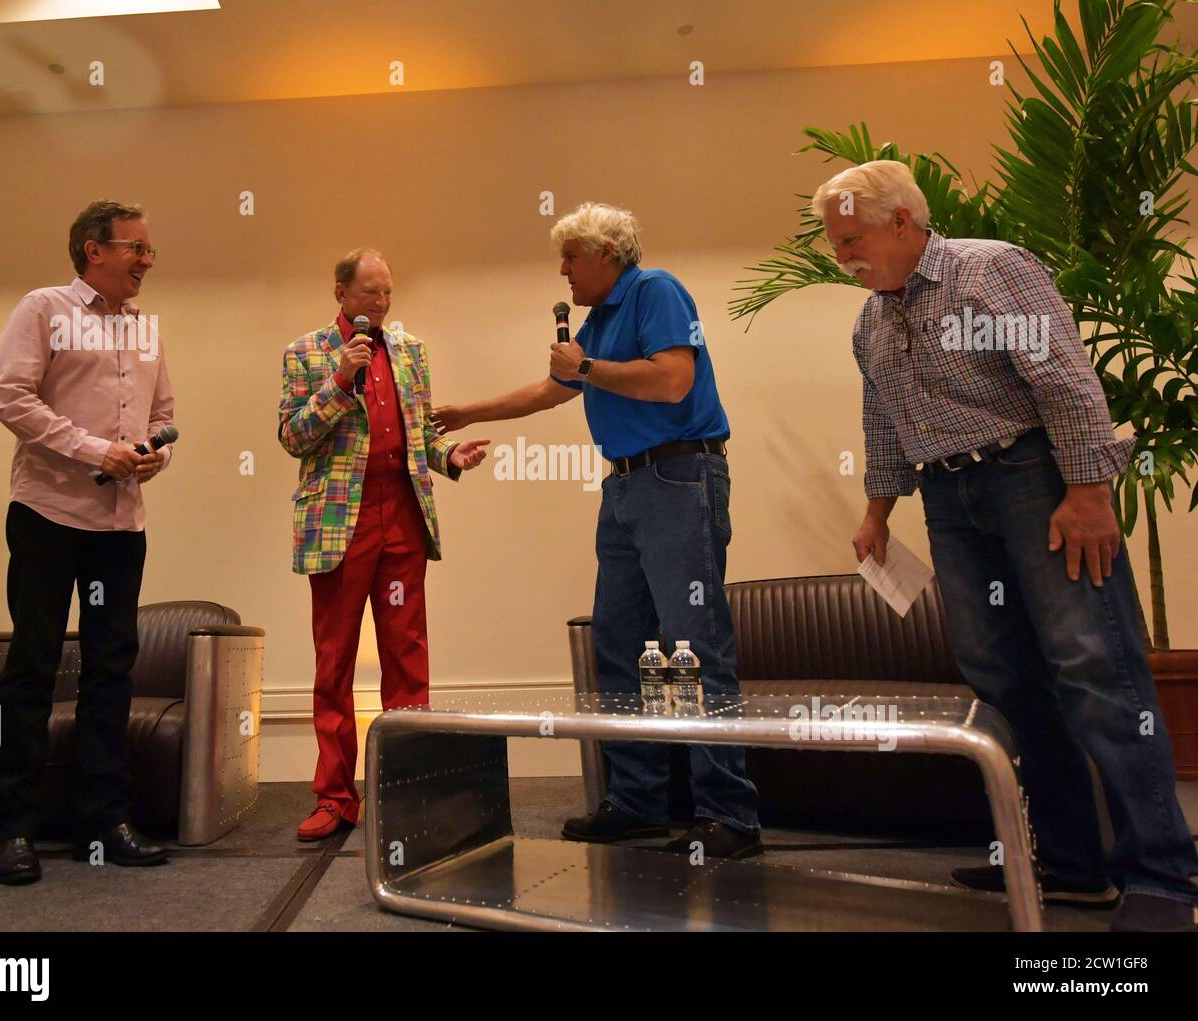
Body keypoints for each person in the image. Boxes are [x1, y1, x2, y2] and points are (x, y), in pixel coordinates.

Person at [812, 159, 1198, 931]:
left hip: (1033, 479)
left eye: (852, 238)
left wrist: (1088, 494)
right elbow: (883, 422)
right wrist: (877, 511)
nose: (843, 256)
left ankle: (1164, 873)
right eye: (834, 245)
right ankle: (1071, 863)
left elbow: (1066, 379)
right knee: (1004, 676)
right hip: (951, 499)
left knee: (1094, 662)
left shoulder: (989, 271)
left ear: (903, 222)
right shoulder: (870, 320)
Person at [433, 202, 762, 858]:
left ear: (607, 253)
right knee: (619, 642)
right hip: (624, 487)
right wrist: (468, 411)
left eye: (570, 258)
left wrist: (584, 368)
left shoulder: (656, 291)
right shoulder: (599, 318)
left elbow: (673, 381)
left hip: (677, 478)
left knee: (695, 645)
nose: (563, 271)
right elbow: (555, 387)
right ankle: (636, 801)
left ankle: (730, 815)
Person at [0, 200, 175, 885]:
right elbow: (9, 396)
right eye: (138, 249)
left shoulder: (147, 328)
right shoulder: (43, 307)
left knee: (111, 671)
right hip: (47, 513)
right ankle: (13, 827)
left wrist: (153, 452)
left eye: (150, 251)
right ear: (95, 250)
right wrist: (93, 447)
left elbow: (163, 414)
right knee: (33, 664)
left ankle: (106, 818)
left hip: (121, 524)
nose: (148, 261)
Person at [279, 248, 489, 841]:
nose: (381, 304)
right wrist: (341, 378)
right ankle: (335, 797)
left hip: (401, 513)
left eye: (388, 293)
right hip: (339, 521)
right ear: (341, 293)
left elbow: (419, 431)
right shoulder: (307, 353)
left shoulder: (411, 351)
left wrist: (449, 457)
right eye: (370, 293)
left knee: (406, 655)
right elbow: (294, 437)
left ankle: (406, 788)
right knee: (334, 661)